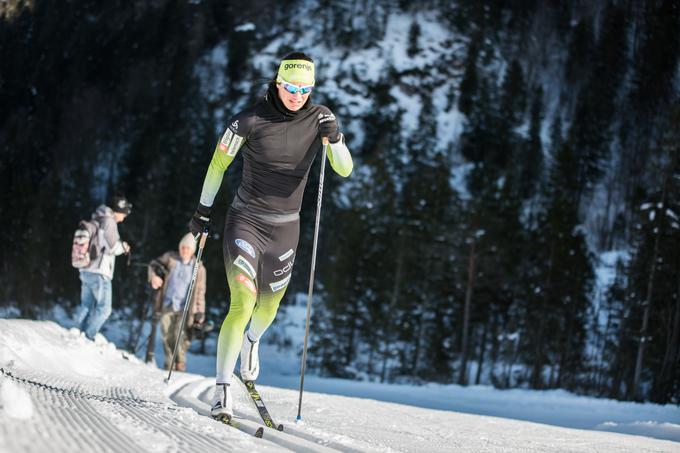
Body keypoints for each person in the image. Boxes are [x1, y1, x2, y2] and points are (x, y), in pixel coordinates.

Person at [189, 52, 353, 419]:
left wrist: (337, 137)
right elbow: (218, 164)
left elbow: (344, 169)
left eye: (305, 89)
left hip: (286, 228)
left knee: (268, 307)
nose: (298, 95)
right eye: (292, 87)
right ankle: (222, 390)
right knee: (242, 301)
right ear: (278, 83)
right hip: (245, 221)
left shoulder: (320, 118)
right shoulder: (248, 120)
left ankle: (252, 342)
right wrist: (202, 211)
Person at [148, 233, 207, 371]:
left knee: (180, 336)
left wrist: (200, 312)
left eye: (187, 248)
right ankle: (169, 363)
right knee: (166, 335)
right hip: (167, 304)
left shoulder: (199, 268)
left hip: (186, 308)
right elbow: (153, 265)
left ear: (192, 250)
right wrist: (154, 277)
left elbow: (200, 292)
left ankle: (180, 363)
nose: (184, 250)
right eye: (182, 247)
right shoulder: (170, 258)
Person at [76, 195, 132, 340]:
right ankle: (88, 337)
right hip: (99, 272)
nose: (124, 217)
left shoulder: (97, 218)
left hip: (86, 268)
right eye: (124, 213)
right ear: (118, 210)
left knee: (87, 306)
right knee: (104, 309)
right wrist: (123, 247)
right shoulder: (109, 221)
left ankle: (77, 334)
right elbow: (111, 247)